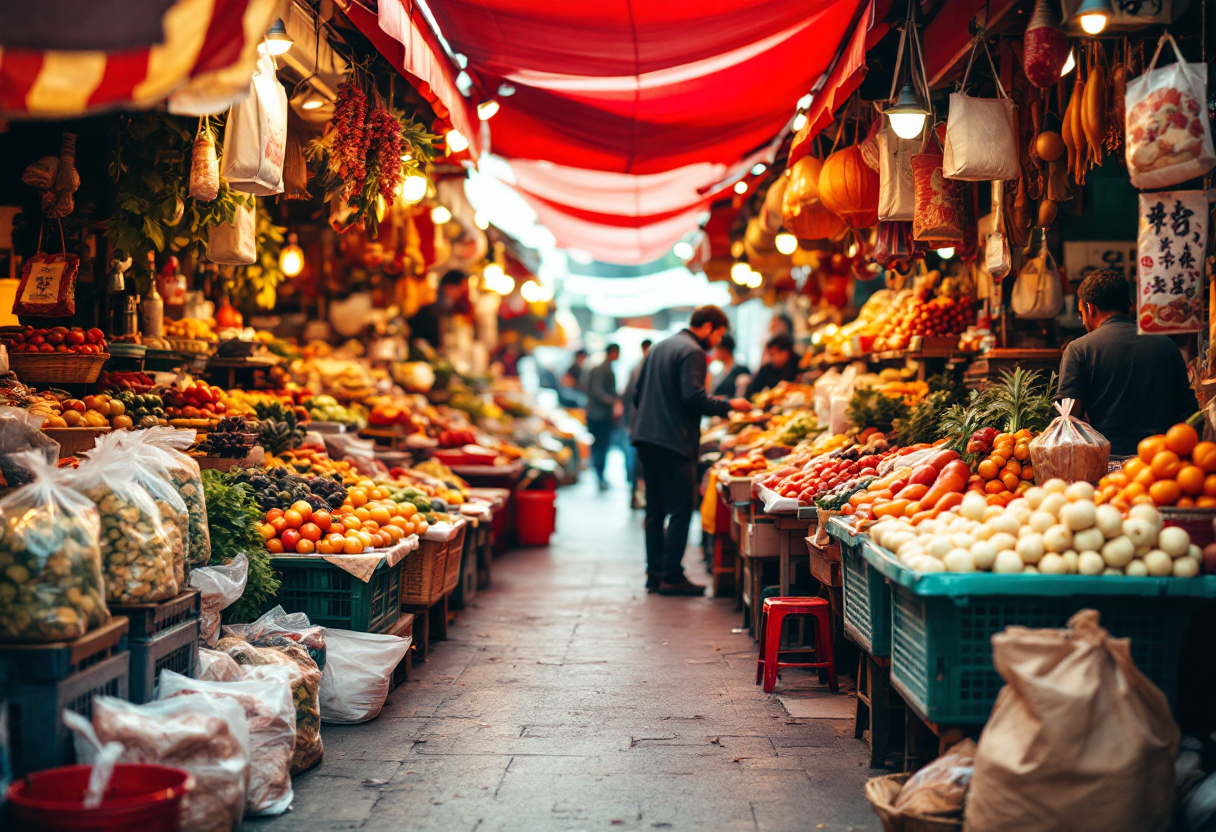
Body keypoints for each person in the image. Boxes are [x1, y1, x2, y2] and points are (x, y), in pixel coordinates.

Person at [632, 307, 751, 596]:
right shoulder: (694, 352)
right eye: (718, 334)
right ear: (708, 327)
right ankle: (672, 575)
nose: (717, 340)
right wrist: (729, 405)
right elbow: (692, 398)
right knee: (681, 509)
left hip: (646, 437)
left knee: (655, 510)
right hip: (673, 440)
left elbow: (636, 394)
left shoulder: (659, 347)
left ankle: (655, 573)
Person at [1057, 269, 1196, 456]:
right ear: (1130, 305)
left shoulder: (1079, 349)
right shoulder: (1166, 345)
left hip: (1105, 462)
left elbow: (1069, 420)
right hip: (1160, 462)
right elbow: (1186, 410)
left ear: (1090, 308)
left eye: (1082, 313)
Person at [582, 344, 620, 491]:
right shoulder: (601, 369)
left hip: (598, 414)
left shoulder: (604, 368)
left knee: (601, 446)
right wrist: (613, 402)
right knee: (600, 446)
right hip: (599, 415)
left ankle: (600, 476)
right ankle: (599, 476)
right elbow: (597, 391)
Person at [623, 339, 653, 509]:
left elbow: (629, 395)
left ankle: (636, 493)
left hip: (637, 422)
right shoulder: (643, 368)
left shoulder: (637, 368)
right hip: (642, 423)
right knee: (638, 460)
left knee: (636, 458)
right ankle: (637, 493)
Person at [408, 270, 469, 347]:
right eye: (460, 288)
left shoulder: (444, 306)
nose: (461, 293)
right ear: (450, 287)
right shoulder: (434, 306)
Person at [742, 332, 799, 399]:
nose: (775, 358)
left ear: (788, 352)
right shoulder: (766, 369)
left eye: (778, 353)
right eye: (772, 354)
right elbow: (750, 393)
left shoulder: (799, 364)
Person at [710, 334, 750, 398]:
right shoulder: (719, 372)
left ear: (724, 350)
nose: (713, 352)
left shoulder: (741, 370)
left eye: (716, 348)